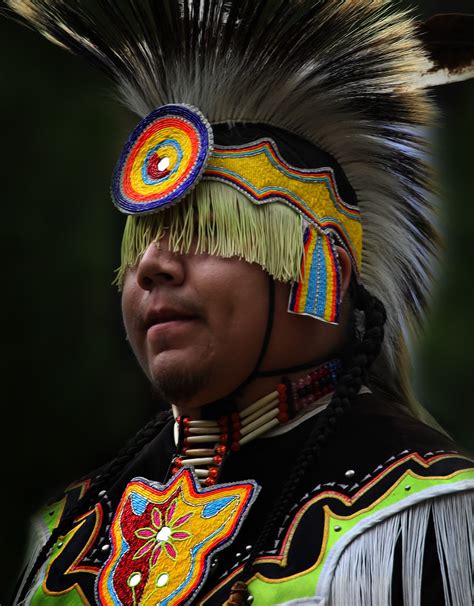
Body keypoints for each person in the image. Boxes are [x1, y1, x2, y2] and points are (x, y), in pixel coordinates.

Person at [7, 1, 474, 605]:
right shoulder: (69, 535)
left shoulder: (414, 517)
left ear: (317, 270)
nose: (152, 266)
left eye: (208, 235)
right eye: (140, 240)